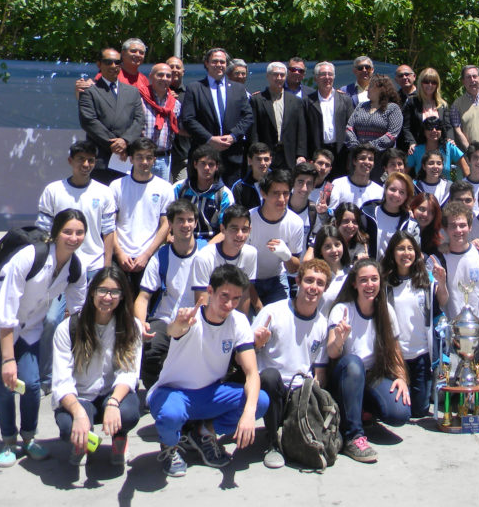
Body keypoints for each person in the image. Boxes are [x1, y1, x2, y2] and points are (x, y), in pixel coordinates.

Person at [0, 209, 88, 467]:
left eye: (79, 232)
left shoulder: (75, 267)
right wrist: (8, 359)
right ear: (56, 233)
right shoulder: (31, 256)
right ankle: (9, 441)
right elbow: (6, 308)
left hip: (29, 327)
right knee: (5, 384)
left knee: (32, 385)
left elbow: (81, 312)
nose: (73, 237)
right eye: (67, 231)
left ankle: (29, 437)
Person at [147, 264, 270, 477]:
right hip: (173, 393)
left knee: (260, 401)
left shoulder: (239, 321)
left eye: (236, 298)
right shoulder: (190, 317)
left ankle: (204, 433)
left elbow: (251, 372)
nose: (230, 304)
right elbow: (174, 330)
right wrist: (178, 324)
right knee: (170, 414)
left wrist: (249, 414)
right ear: (210, 291)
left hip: (210, 394)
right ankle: (170, 446)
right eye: (224, 296)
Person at [36, 141, 116, 389]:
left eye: (90, 160)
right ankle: (46, 379)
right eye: (81, 159)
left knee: (90, 323)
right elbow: (43, 232)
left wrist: (106, 268)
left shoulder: (104, 192)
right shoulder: (53, 191)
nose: (86, 164)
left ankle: (88, 376)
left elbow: (109, 233)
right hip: (60, 269)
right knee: (50, 321)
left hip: (92, 268)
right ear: (70, 161)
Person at [52, 266, 142, 466]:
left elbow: (129, 373)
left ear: (122, 296)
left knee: (129, 413)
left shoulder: (131, 326)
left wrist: (113, 403)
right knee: (68, 426)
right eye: (102, 290)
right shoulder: (67, 328)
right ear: (92, 292)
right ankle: (81, 440)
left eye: (114, 292)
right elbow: (61, 382)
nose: (107, 297)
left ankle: (119, 438)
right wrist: (78, 413)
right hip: (80, 396)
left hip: (111, 393)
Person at [327, 258, 411, 463]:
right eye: (363, 280)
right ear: (354, 283)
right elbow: (331, 353)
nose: (369, 285)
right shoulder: (342, 310)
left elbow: (394, 349)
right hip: (346, 375)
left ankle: (362, 411)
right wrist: (339, 340)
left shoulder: (386, 310)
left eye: (374, 279)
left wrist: (401, 378)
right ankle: (353, 436)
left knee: (400, 413)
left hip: (371, 375)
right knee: (354, 363)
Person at [250, 259, 332, 468]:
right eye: (309, 280)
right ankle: (272, 443)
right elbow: (246, 354)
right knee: (269, 376)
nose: (313, 287)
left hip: (298, 391)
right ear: (298, 281)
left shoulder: (322, 323)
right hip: (270, 385)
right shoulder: (272, 312)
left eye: (320, 283)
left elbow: (319, 371)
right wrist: (257, 344)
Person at [135, 200, 206, 388]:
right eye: (180, 220)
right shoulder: (161, 256)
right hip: (164, 319)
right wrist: (141, 322)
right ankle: (154, 393)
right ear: (171, 225)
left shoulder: (206, 253)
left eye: (190, 220)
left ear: (196, 223)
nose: (186, 225)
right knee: (150, 348)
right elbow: (143, 297)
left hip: (197, 320)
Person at [381, 232, 448, 417]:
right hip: (396, 356)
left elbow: (441, 301)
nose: (406, 253)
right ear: (392, 253)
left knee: (419, 411)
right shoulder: (385, 283)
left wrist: (441, 283)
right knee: (398, 409)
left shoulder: (425, 280)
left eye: (410, 249)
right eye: (401, 248)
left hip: (421, 355)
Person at [180, 48, 255, 184]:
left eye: (222, 62)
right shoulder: (194, 88)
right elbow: (188, 119)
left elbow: (248, 116)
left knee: (231, 201)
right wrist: (210, 139)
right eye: (215, 61)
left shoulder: (238, 89)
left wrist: (233, 136)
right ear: (207, 63)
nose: (219, 65)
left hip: (232, 156)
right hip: (204, 155)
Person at [110, 138, 173, 295]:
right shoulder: (116, 186)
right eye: (139, 157)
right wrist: (119, 253)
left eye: (148, 157)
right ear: (131, 159)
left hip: (149, 257)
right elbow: (110, 223)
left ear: (154, 160)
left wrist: (146, 255)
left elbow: (165, 225)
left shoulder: (165, 188)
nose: (144, 162)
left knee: (143, 308)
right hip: (120, 257)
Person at [78, 48, 145, 184]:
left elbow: (139, 120)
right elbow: (89, 121)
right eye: (108, 62)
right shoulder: (90, 92)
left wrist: (125, 141)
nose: (113, 66)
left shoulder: (132, 92)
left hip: (126, 157)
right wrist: (114, 144)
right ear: (99, 64)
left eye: (117, 62)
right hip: (101, 159)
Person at [248, 169, 305, 307]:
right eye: (275, 193)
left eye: (285, 193)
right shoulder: (248, 220)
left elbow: (294, 269)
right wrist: (258, 307)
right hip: (249, 282)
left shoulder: (295, 222)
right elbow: (240, 267)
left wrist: (287, 256)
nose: (281, 199)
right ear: (263, 193)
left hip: (277, 280)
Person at [189, 205, 258, 313]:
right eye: (234, 229)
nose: (240, 235)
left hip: (234, 315)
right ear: (222, 229)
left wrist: (242, 326)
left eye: (244, 229)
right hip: (209, 316)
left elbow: (244, 295)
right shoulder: (204, 257)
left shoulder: (251, 253)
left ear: (250, 230)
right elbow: (202, 302)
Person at [250, 62, 308, 170]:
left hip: (289, 156)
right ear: (268, 76)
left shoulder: (296, 101)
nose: (279, 78)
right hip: (265, 156)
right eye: (275, 74)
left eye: (282, 75)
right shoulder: (257, 100)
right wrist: (256, 152)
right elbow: (254, 130)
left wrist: (301, 154)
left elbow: (301, 129)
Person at [173, 145, 234, 240]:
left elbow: (226, 230)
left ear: (217, 167)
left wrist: (206, 251)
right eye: (203, 163)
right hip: (181, 239)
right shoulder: (179, 188)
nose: (206, 168)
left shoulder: (224, 194)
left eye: (211, 164)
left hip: (211, 243)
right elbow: (167, 220)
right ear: (195, 164)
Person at [305, 62, 355, 178]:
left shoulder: (345, 99)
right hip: (317, 151)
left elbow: (351, 126)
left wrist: (351, 153)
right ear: (316, 78)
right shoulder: (307, 101)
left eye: (330, 74)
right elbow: (303, 130)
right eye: (323, 74)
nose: (327, 77)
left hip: (340, 152)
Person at [441, 202, 479, 319]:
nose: (458, 230)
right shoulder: (439, 259)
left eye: (462, 225)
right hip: (452, 330)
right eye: (453, 226)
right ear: (446, 229)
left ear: (470, 227)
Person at [361, 172, 420, 256]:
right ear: (385, 190)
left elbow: (414, 253)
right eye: (392, 189)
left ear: (407, 196)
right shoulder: (367, 213)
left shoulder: (411, 224)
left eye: (402, 192)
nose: (396, 195)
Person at [140, 62, 182, 181]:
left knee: (161, 196)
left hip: (164, 159)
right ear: (151, 76)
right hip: (142, 158)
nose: (164, 79)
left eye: (168, 76)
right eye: (160, 75)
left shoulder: (174, 103)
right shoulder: (140, 98)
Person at [345, 75, 403, 154]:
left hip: (381, 158)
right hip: (358, 156)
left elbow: (392, 134)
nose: (368, 89)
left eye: (371, 86)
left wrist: (369, 147)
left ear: (381, 89)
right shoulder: (361, 106)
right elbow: (349, 127)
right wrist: (356, 147)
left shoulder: (393, 108)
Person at [402, 67, 453, 156]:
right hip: (417, 151)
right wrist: (411, 143)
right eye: (426, 81)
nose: (430, 85)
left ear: (437, 85)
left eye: (433, 82)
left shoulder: (443, 105)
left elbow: (448, 127)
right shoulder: (411, 102)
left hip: (439, 153)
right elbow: (406, 127)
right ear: (421, 83)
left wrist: (450, 139)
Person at [407, 116, 466, 181]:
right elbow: (404, 172)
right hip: (421, 189)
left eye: (437, 127)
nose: (434, 130)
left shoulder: (449, 146)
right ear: (424, 131)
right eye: (430, 128)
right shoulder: (415, 150)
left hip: (445, 189)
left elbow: (466, 169)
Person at [311, 226, 353, 314]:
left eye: (337, 245)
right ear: (320, 250)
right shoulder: (312, 276)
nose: (334, 250)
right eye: (327, 247)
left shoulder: (353, 273)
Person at [328, 144, 384, 208]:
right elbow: (332, 211)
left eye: (370, 159)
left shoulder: (379, 191)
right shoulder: (338, 184)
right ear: (354, 161)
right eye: (362, 158)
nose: (367, 162)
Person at [231, 142, 273, 211]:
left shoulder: (278, 182)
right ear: (250, 161)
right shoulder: (239, 187)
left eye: (266, 159)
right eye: (258, 159)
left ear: (270, 160)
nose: (263, 163)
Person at [409, 192, 444, 256]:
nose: (425, 214)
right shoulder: (402, 228)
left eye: (431, 212)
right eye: (422, 209)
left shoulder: (436, 241)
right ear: (413, 208)